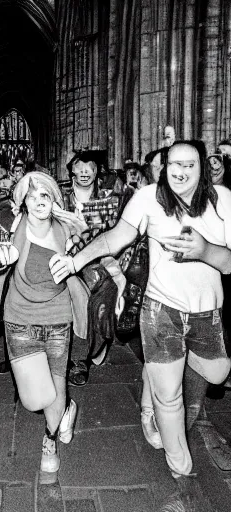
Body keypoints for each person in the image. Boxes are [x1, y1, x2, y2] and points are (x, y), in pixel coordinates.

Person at [50, 141, 231, 510]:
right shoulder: (148, 198)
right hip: (160, 311)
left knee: (217, 372)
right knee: (170, 397)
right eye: (172, 163)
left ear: (203, 167)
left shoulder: (223, 201)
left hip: (207, 314)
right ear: (162, 167)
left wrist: (204, 251)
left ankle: (153, 375)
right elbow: (115, 237)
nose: (180, 171)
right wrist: (74, 261)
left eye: (190, 164)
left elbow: (228, 263)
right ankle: (178, 464)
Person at [0, 171, 88, 474]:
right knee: (34, 399)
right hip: (20, 317)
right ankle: (67, 408)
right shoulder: (13, 226)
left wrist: (75, 247)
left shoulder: (66, 230)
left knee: (55, 389)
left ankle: (50, 437)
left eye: (45, 194)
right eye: (32, 195)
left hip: (58, 317)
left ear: (54, 199)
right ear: (24, 201)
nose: (39, 200)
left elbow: (86, 239)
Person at [62, 152, 125, 386]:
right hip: (65, 258)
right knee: (75, 296)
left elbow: (115, 230)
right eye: (80, 168)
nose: (85, 172)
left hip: (97, 259)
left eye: (90, 168)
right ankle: (76, 357)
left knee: (106, 290)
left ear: (97, 171)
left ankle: (94, 348)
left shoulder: (108, 197)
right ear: (72, 172)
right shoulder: (61, 197)